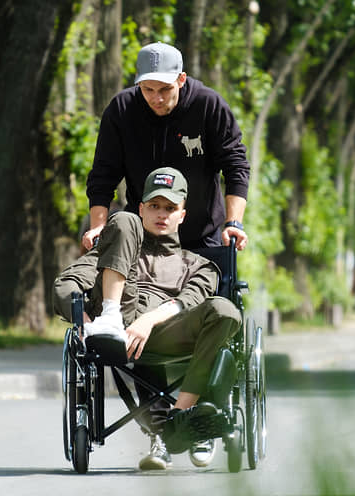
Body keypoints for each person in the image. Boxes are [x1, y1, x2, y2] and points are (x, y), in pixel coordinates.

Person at [53, 167, 242, 469]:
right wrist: (86, 324)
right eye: (154, 206)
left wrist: (148, 321)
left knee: (225, 310)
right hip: (113, 330)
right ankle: (112, 319)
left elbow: (193, 298)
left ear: (182, 214)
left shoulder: (199, 266)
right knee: (123, 222)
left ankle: (177, 422)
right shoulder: (115, 244)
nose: (161, 214)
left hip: (167, 333)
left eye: (170, 208)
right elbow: (65, 285)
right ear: (142, 208)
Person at [82, 42, 250, 253]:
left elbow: (236, 166)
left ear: (181, 79)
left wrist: (234, 223)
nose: (156, 98)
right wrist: (98, 226)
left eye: (165, 89)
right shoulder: (121, 110)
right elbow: (102, 176)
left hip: (202, 237)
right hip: (141, 237)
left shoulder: (209, 106)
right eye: (148, 89)